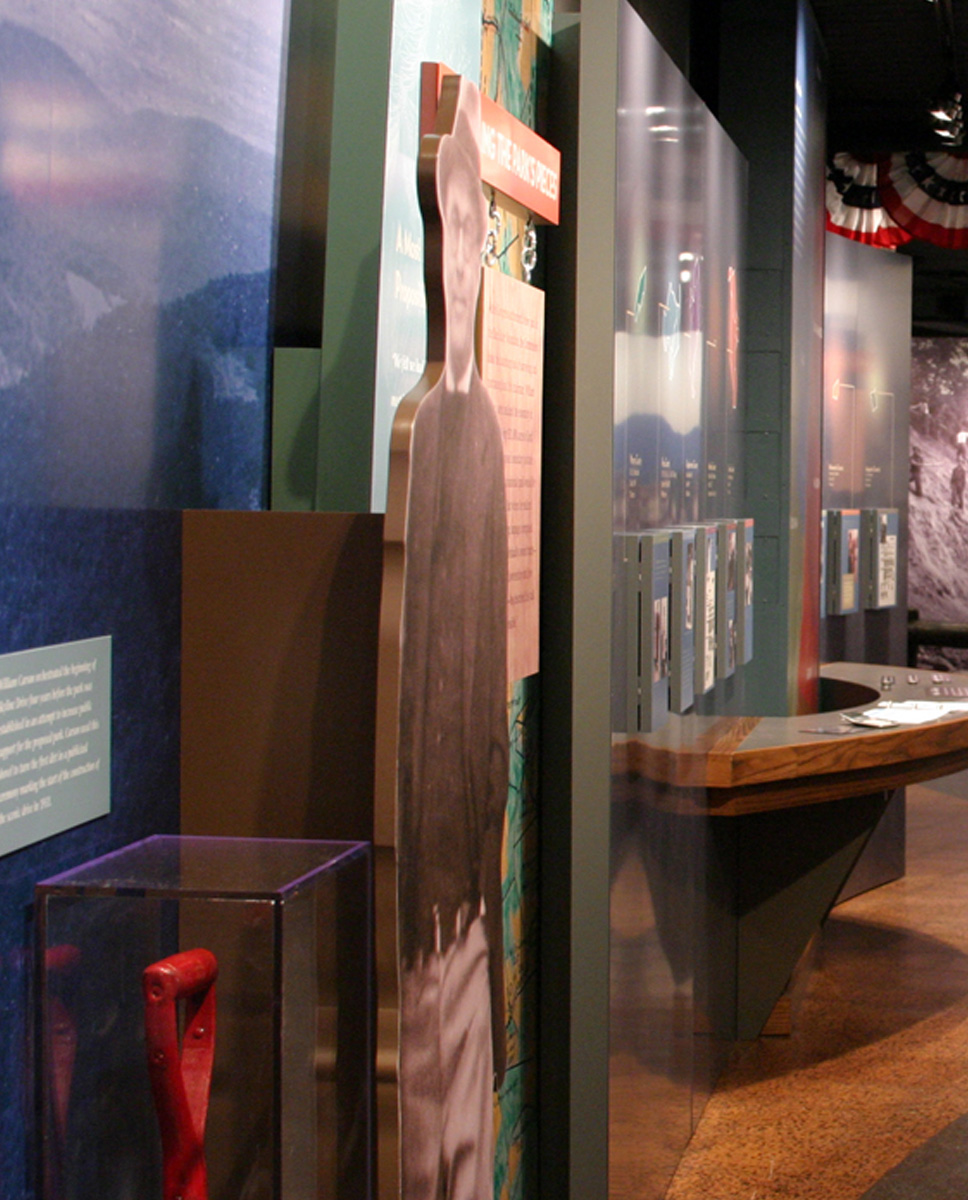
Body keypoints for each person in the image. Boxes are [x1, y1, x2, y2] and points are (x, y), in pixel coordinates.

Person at [393, 74, 507, 1200]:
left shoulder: (480, 433)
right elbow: (421, 680)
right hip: (427, 887)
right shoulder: (428, 432)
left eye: (481, 225)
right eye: (456, 222)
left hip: (468, 862)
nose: (465, 248)